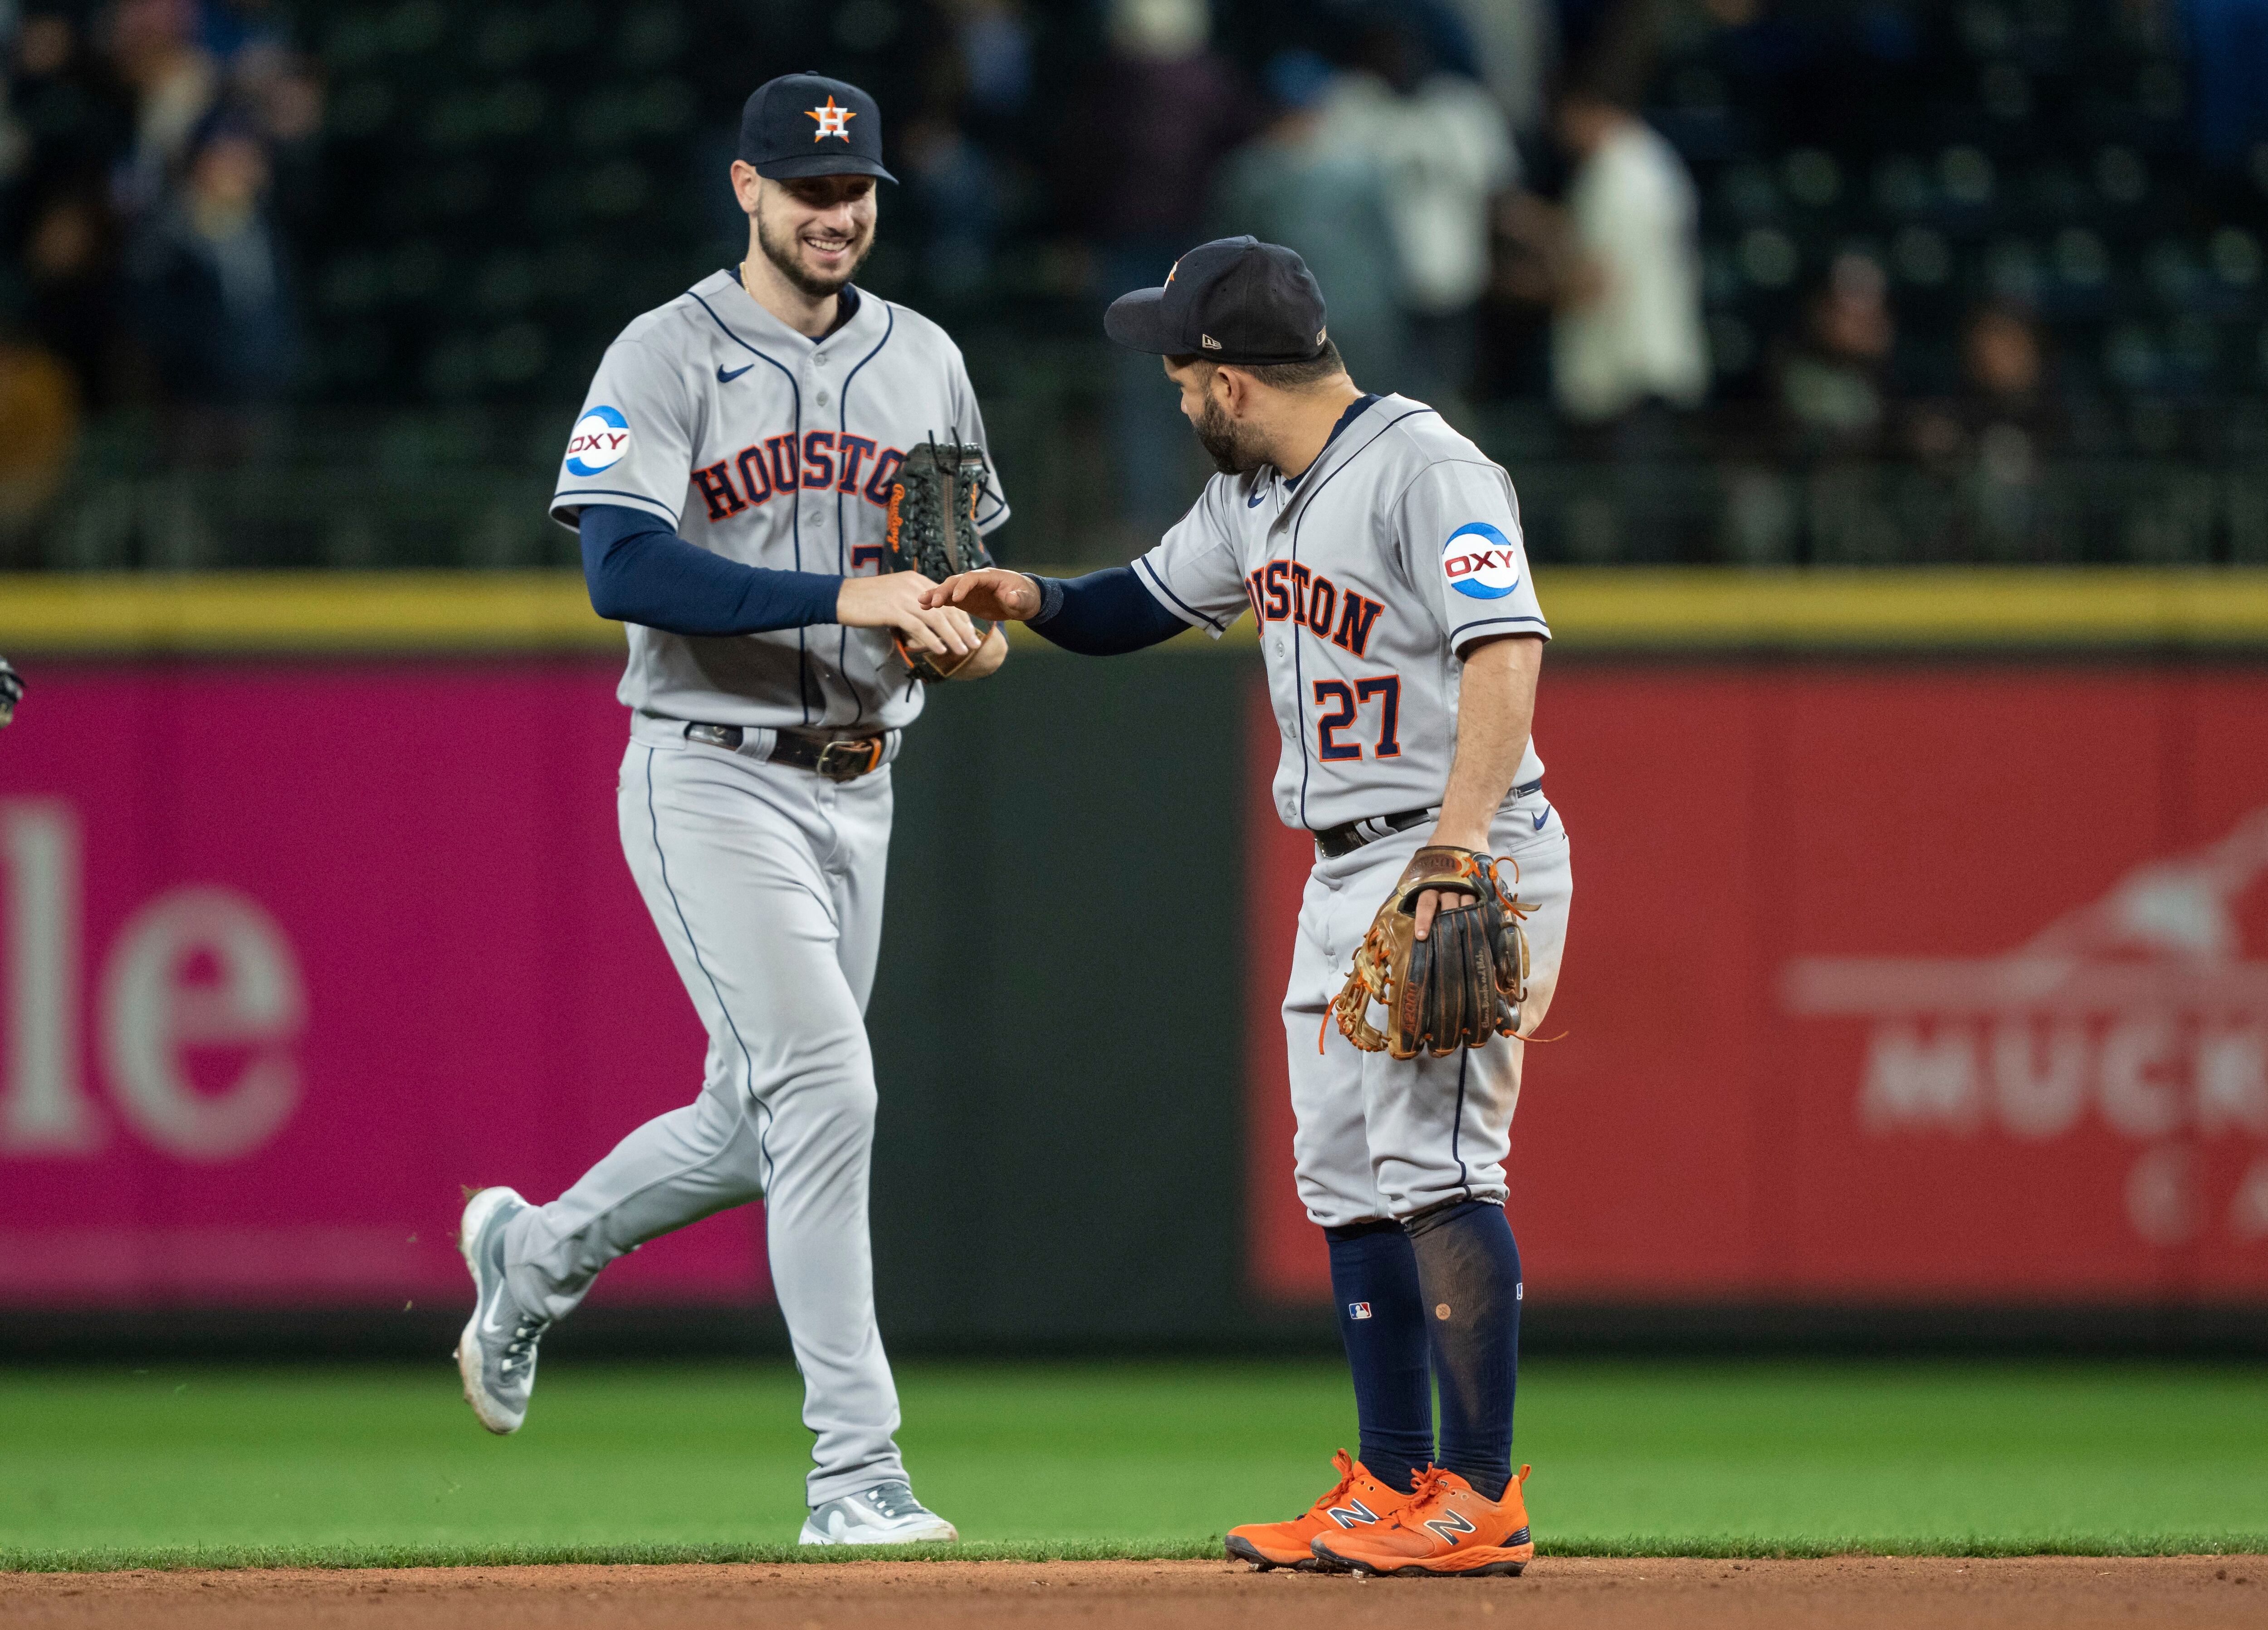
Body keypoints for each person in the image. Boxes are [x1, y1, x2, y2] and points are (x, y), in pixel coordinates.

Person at [924, 237, 1572, 1576]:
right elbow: (1138, 606)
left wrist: (1455, 852)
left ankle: (1483, 1493)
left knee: (1441, 1166)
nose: (1168, 391)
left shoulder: (1423, 465)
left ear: (1227, 377)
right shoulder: (1257, 499)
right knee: (1344, 1176)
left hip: (1453, 849)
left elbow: (1505, 646)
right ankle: (1391, 1483)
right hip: (1341, 869)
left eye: (1177, 368)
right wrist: (1031, 596)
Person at [453, 73, 1008, 1547]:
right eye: (810, 189)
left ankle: (534, 1251)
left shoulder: (927, 361)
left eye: (858, 190)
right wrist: (846, 592)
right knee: (828, 1085)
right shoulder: (665, 351)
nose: (839, 213)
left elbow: (950, 572)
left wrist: (966, 626)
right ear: (747, 191)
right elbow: (621, 570)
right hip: (709, 766)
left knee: (761, 1120)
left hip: (864, 777)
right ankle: (856, 1470)